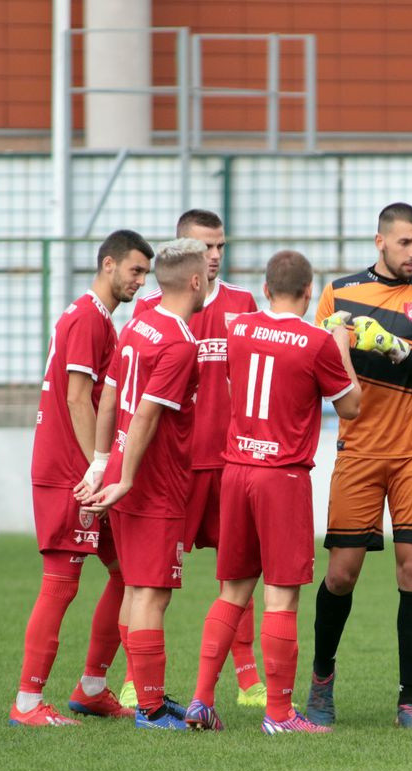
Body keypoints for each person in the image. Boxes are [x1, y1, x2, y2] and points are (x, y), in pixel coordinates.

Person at [185, 250, 361, 735]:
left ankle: (201, 701)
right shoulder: (314, 342)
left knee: (233, 592)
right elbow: (351, 407)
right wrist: (340, 345)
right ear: (309, 293)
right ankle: (280, 714)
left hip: (236, 469)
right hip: (280, 477)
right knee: (281, 598)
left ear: (265, 289)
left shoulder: (237, 328)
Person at [306, 202, 412, 730]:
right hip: (360, 450)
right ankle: (321, 681)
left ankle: (409, 703)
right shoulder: (340, 294)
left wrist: (393, 347)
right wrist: (341, 341)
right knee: (341, 575)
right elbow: (322, 367)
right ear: (380, 242)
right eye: (405, 242)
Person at [9, 229, 152, 727]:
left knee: (128, 573)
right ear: (108, 264)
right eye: (134, 270)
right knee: (61, 584)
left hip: (85, 472)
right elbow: (76, 397)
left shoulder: (94, 318)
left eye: (145, 273)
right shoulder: (90, 318)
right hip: (70, 474)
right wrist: (96, 465)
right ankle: (27, 703)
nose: (139, 281)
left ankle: (92, 686)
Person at [127, 209, 264, 711]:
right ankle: (131, 677)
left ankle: (248, 678)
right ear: (182, 252)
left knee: (239, 567)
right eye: (205, 247)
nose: (214, 256)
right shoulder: (154, 307)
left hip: (228, 458)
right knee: (143, 577)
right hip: (174, 465)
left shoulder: (242, 303)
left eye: (220, 247)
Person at [79, 238, 207, 730]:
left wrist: (104, 464)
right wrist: (128, 477)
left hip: (125, 480)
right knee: (153, 593)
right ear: (196, 281)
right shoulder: (178, 340)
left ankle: (148, 697)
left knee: (136, 588)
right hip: (153, 485)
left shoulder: (138, 324)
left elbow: (110, 398)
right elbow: (149, 413)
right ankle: (151, 708)